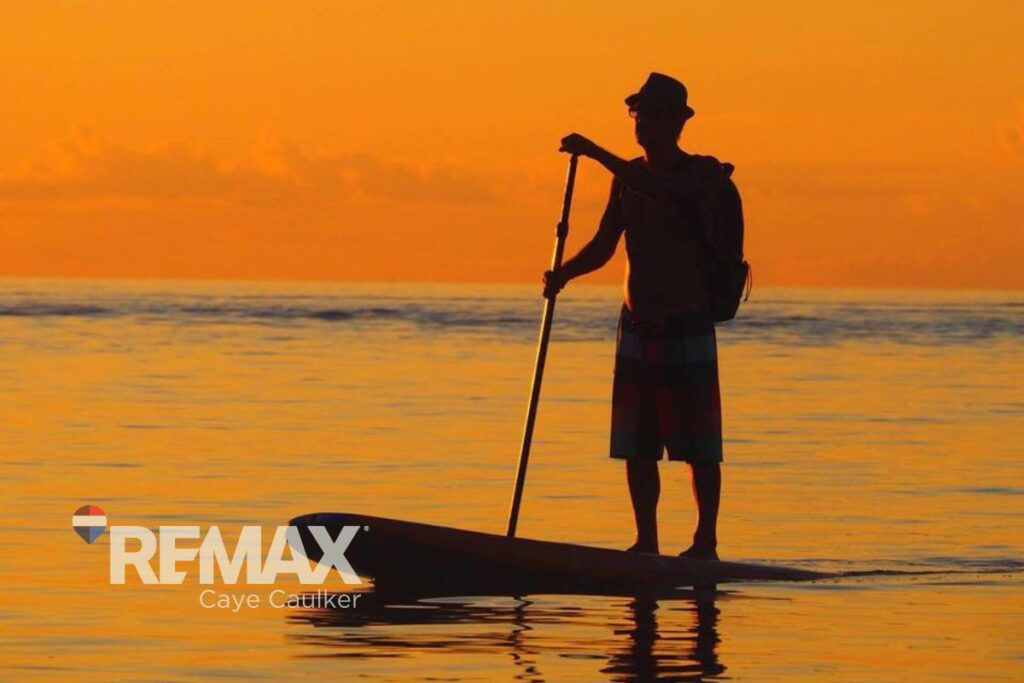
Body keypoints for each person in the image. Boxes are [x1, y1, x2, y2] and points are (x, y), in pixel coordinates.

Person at [544, 72, 730, 560]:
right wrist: (563, 273)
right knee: (637, 444)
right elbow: (606, 245)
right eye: (636, 112)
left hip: (685, 323)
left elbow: (658, 188)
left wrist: (593, 150)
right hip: (637, 326)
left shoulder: (700, 175)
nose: (640, 121)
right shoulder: (625, 180)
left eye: (649, 112)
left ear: (674, 120)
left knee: (697, 445)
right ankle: (646, 541)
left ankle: (704, 542)